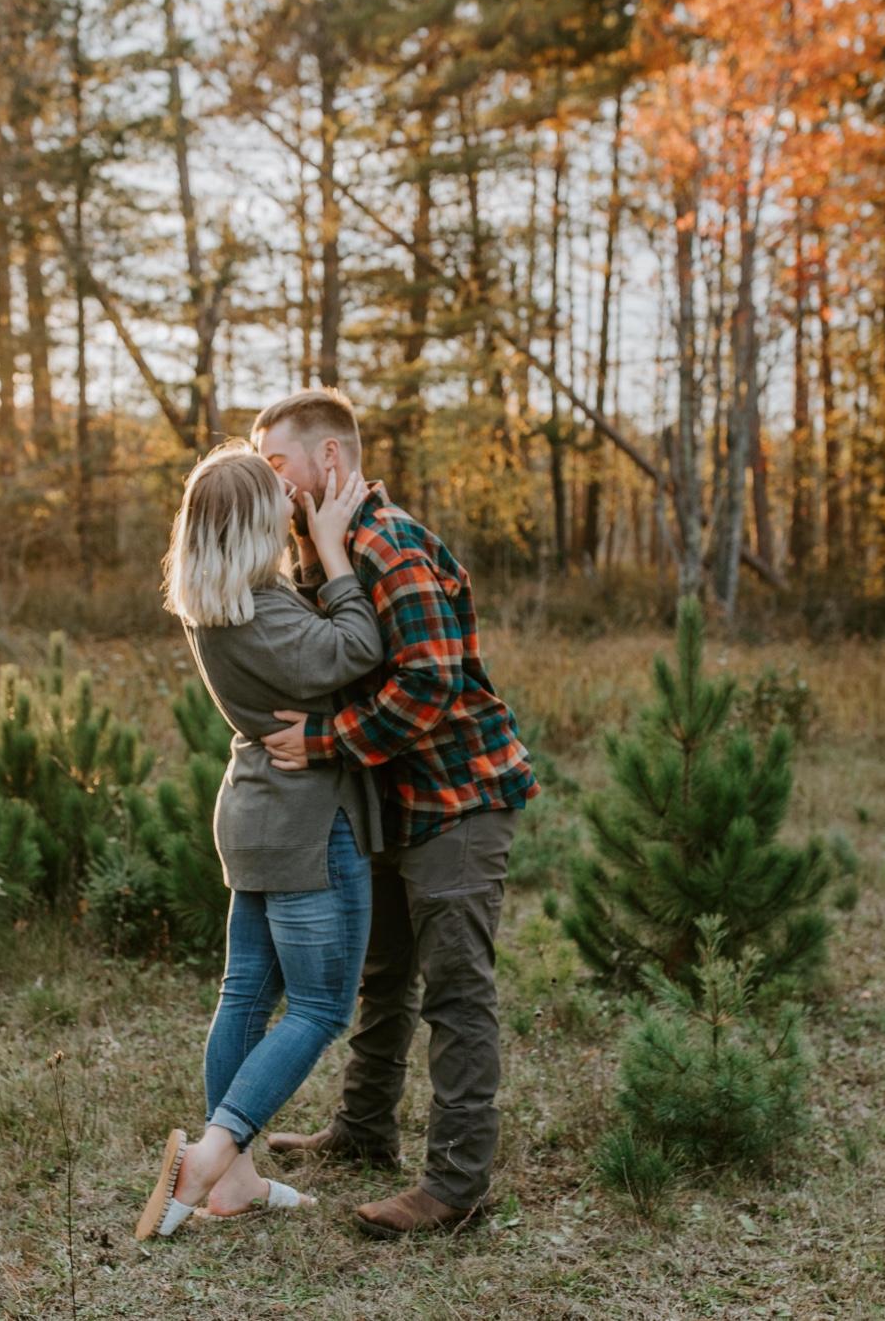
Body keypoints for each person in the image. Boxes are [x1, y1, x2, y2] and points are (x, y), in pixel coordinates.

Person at [253, 387, 540, 1239]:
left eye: (277, 465)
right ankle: (364, 1129)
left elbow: (430, 682)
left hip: (458, 797)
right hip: (395, 801)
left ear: (329, 459)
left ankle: (455, 1187)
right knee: (383, 974)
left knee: (456, 991)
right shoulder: (331, 546)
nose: (270, 485)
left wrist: (324, 741)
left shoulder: (388, 542)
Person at [135, 441, 384, 1241]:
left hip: (254, 814)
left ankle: (235, 1183)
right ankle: (210, 1155)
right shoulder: (262, 612)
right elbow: (357, 648)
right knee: (317, 1006)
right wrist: (336, 551)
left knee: (245, 993)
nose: (292, 498)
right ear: (250, 520)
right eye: (276, 491)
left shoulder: (221, 602)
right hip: (305, 824)